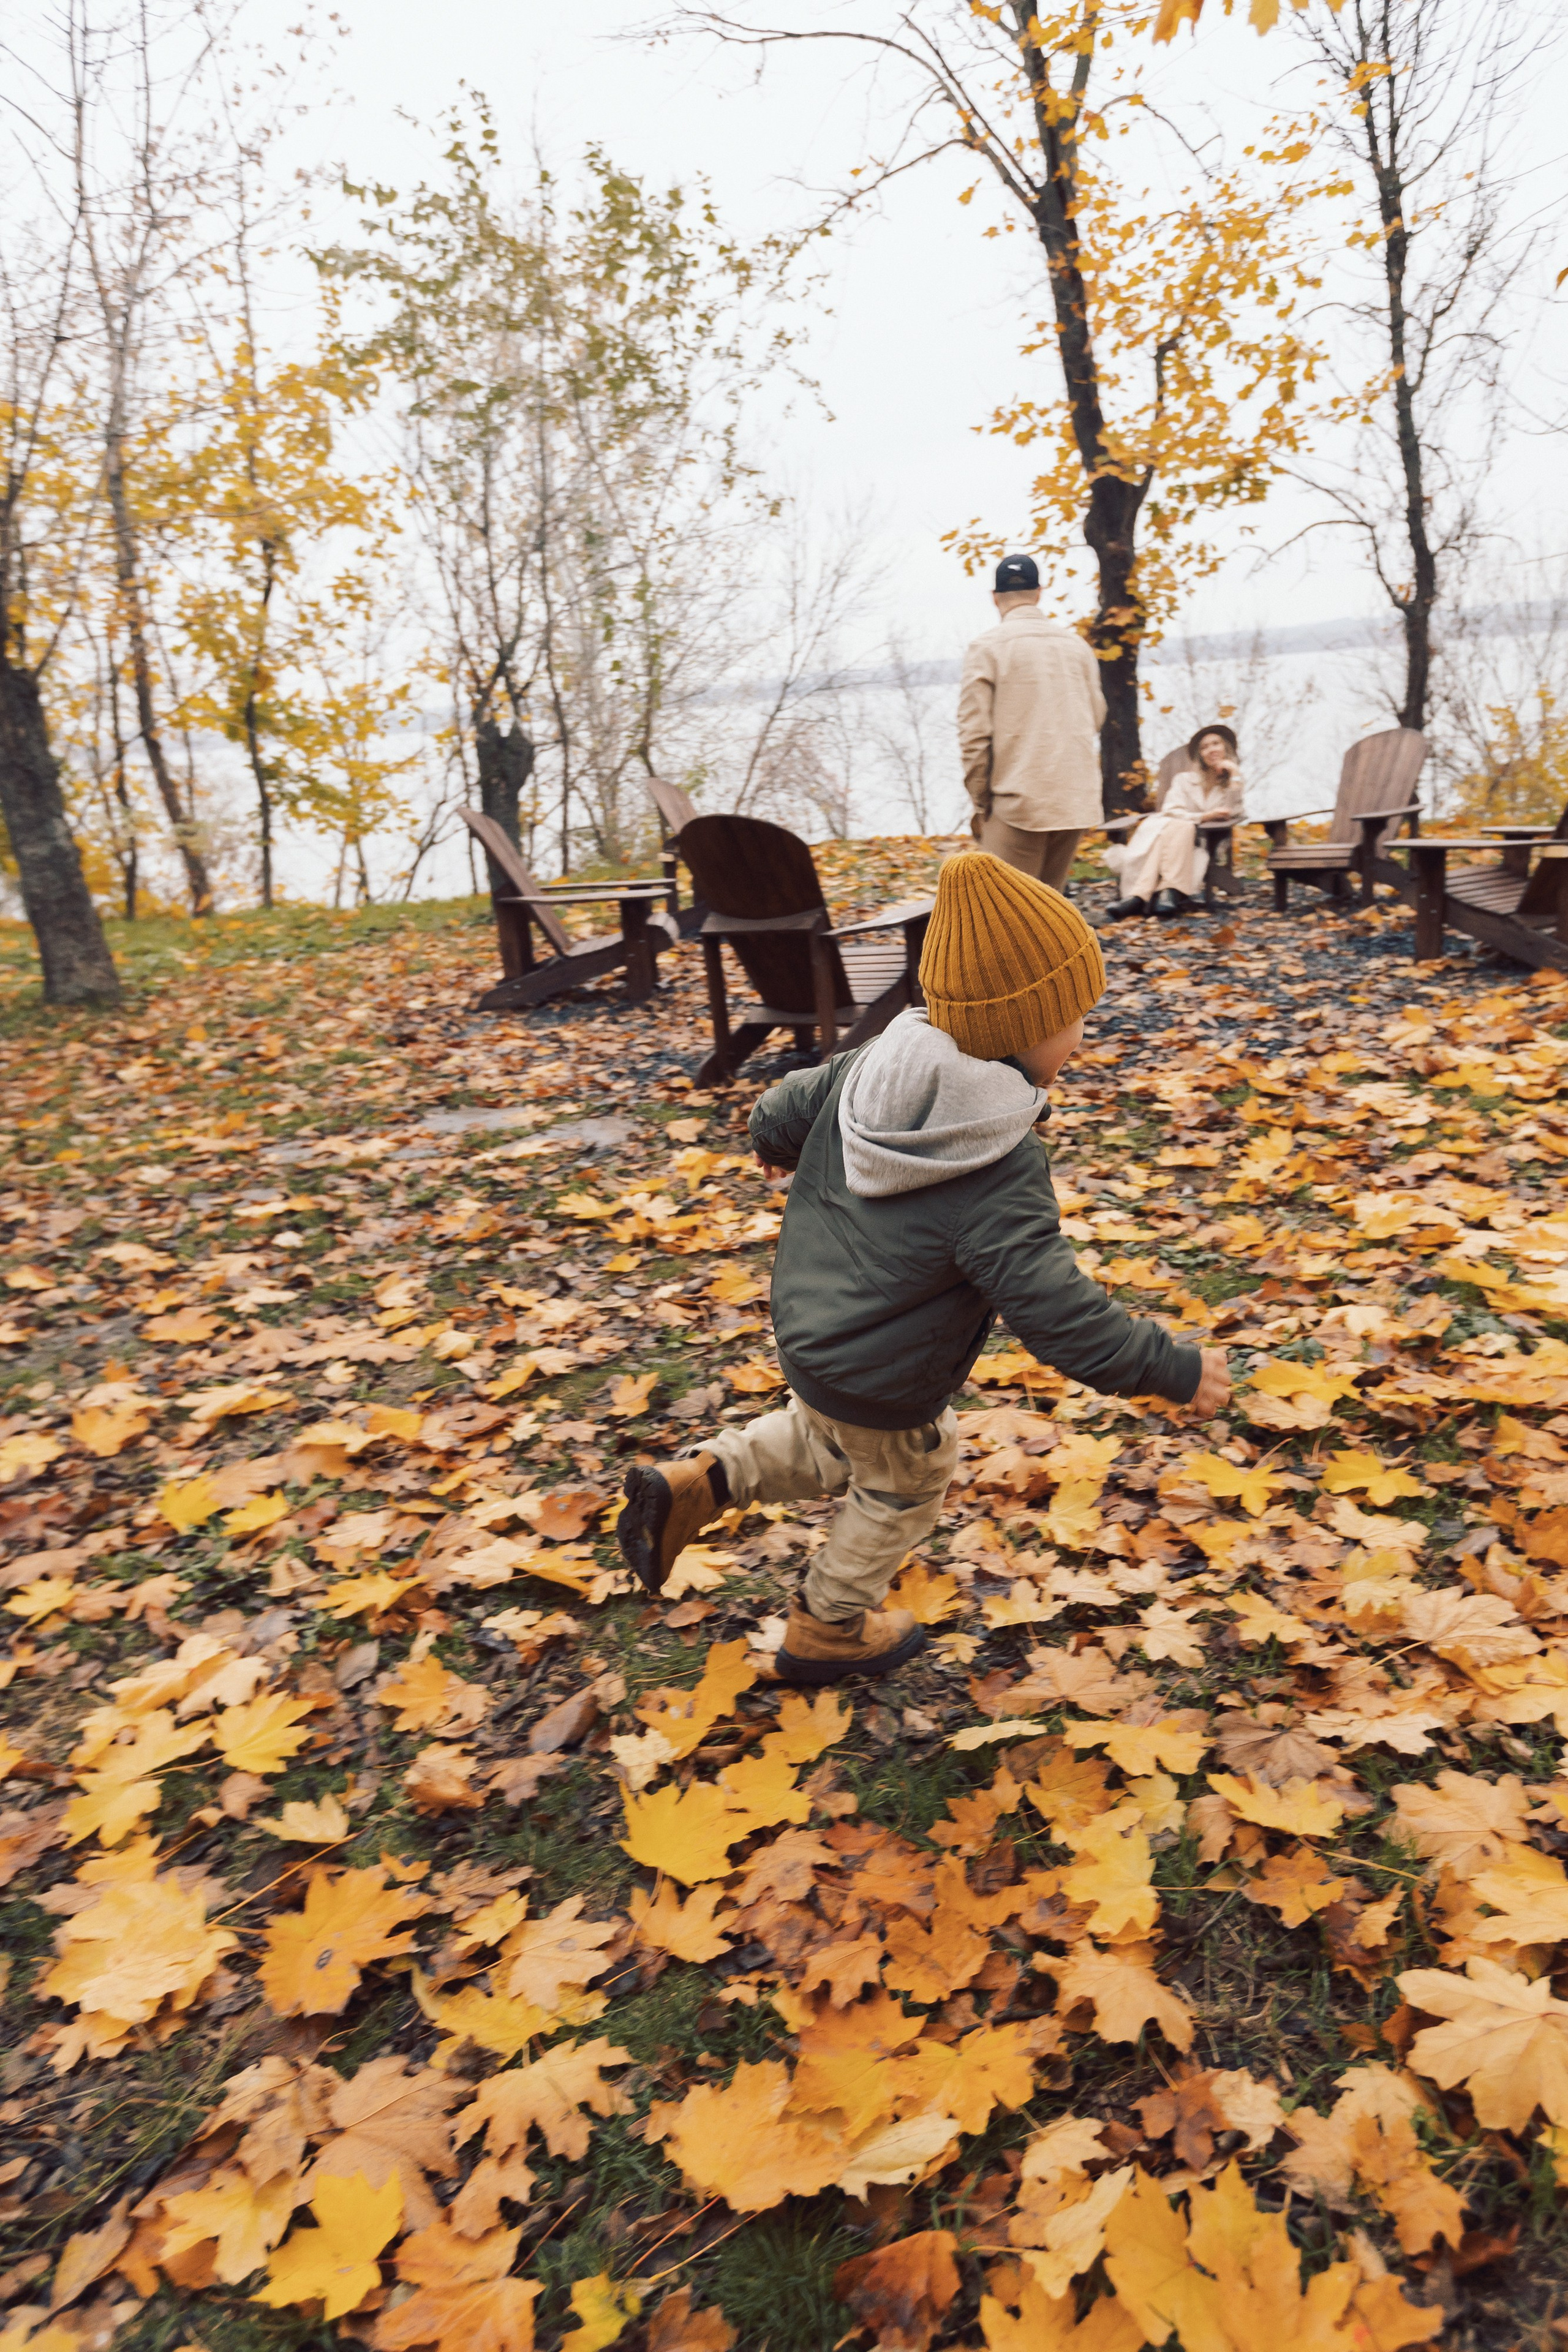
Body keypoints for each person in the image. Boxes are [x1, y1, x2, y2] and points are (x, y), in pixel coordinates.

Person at [617, 853, 1231, 1686]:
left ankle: (702, 1480)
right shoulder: (998, 1166)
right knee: (905, 1474)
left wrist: (775, 1141)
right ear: (1027, 1023)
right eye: (1074, 1016)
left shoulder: (871, 1063)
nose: (1082, 1035)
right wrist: (1174, 1366)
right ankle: (828, 1626)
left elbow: (783, 1103)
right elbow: (1059, 1314)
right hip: (886, 1372)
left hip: (811, 1329)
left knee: (826, 1436)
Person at [957, 554, 1107, 895]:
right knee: (1049, 912)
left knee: (1002, 916)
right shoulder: (1077, 647)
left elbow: (974, 736)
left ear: (995, 597)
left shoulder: (986, 648)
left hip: (1017, 801)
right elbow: (1095, 716)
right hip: (1074, 801)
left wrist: (982, 803)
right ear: (1039, 592)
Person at [1103, 723, 1245, 921]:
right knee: (1183, 825)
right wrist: (1204, 816)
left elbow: (1234, 812)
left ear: (1226, 749)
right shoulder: (1184, 780)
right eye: (1205, 747)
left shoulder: (1231, 785)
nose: (1211, 750)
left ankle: (1138, 897)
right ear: (1200, 755)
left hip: (1205, 840)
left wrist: (1235, 777)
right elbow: (1172, 810)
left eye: (1216, 744)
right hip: (1167, 830)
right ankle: (1169, 891)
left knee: (1183, 826)